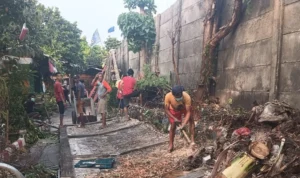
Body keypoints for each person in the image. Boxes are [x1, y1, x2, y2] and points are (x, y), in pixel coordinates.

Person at [164, 85, 195, 152]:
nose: (179, 97)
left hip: (184, 108)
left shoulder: (187, 97)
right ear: (173, 95)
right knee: (173, 126)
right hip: (174, 110)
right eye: (177, 96)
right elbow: (166, 110)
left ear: (182, 92)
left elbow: (188, 112)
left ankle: (192, 141)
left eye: (180, 95)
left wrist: (183, 124)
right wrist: (174, 118)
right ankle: (171, 145)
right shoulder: (168, 96)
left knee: (191, 120)